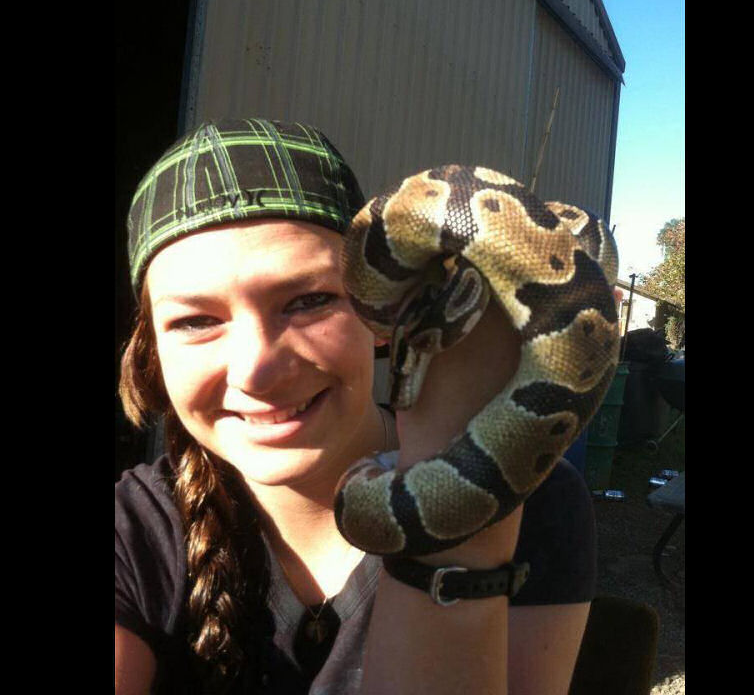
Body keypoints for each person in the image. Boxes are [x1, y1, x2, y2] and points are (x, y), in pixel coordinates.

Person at [115, 118, 598, 695]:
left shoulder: (540, 500)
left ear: (381, 317)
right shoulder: (130, 529)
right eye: (195, 321)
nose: (255, 371)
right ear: (150, 352)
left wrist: (457, 518)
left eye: (309, 300)